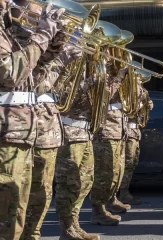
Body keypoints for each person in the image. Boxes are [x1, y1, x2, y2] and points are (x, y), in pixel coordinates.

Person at [11, 1, 82, 239]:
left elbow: (41, 74)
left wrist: (57, 42)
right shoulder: (14, 35)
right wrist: (44, 36)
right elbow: (30, 79)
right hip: (19, 127)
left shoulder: (30, 37)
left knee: (41, 192)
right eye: (37, 6)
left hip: (37, 126)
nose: (42, 11)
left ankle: (35, 234)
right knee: (17, 198)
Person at [0, 0, 64, 239]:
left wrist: (55, 42)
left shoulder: (10, 33)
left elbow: (32, 78)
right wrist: (43, 34)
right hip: (6, 135)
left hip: (21, 133)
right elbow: (9, 73)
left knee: (18, 208)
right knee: (7, 212)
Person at [54, 63, 100, 239]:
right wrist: (88, 83)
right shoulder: (66, 67)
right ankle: (66, 229)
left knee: (86, 182)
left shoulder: (91, 70)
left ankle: (74, 224)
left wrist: (114, 78)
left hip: (86, 134)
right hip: (70, 133)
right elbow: (62, 98)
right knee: (68, 184)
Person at [90, 50, 130, 226]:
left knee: (117, 171)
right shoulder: (98, 69)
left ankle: (111, 200)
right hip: (105, 129)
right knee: (104, 174)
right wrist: (120, 76)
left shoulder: (113, 71)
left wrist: (131, 79)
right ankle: (98, 210)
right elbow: (103, 95)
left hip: (118, 129)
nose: (111, 54)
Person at [119, 80, 153, 205]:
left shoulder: (143, 91)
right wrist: (140, 101)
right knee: (126, 163)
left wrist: (147, 103)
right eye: (136, 77)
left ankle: (124, 192)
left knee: (132, 163)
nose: (139, 79)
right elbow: (127, 107)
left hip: (135, 131)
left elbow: (149, 107)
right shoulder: (125, 90)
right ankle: (122, 193)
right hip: (127, 131)